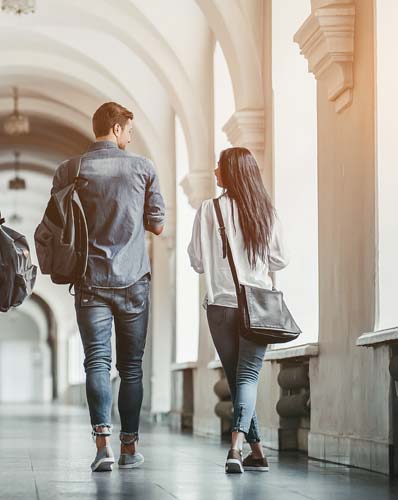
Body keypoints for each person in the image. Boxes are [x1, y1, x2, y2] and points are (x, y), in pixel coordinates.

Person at [51, 102, 166, 472]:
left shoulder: (70, 169)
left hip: (90, 281)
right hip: (134, 281)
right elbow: (158, 225)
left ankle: (103, 447)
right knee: (131, 368)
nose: (130, 137)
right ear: (116, 129)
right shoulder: (143, 167)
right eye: (128, 130)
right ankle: (130, 448)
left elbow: (57, 223)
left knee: (95, 363)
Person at [188, 147, 288, 474]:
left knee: (237, 379)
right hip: (257, 306)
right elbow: (279, 260)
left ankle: (247, 450)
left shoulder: (208, 210)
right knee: (244, 379)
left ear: (231, 173)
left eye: (219, 166)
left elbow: (198, 262)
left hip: (220, 306)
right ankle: (242, 449)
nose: (215, 170)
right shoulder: (265, 211)